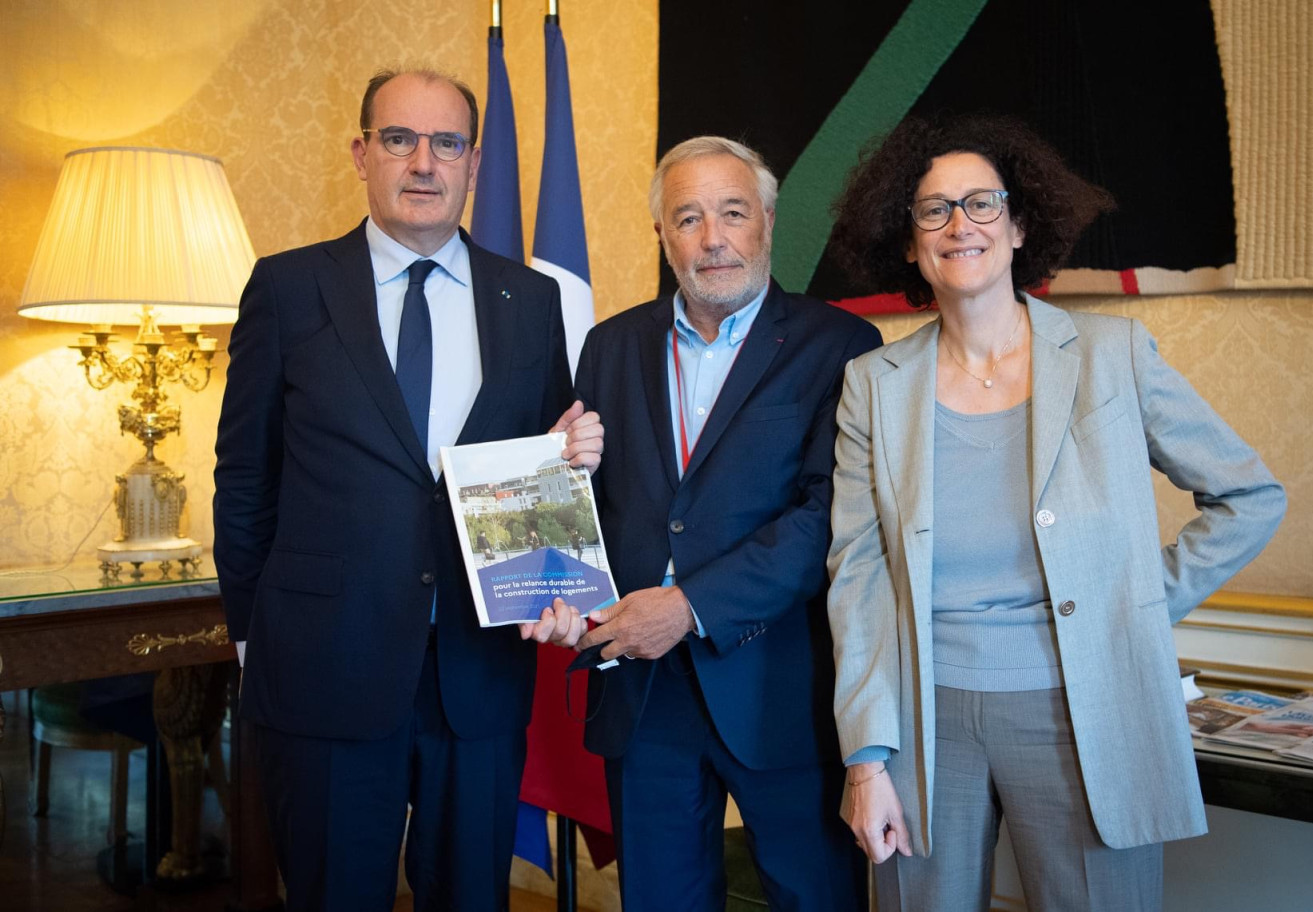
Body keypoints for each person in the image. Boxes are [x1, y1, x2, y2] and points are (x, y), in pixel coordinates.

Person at [824, 114, 1286, 911]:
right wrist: (866, 762)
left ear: (1020, 224)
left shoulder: (1116, 355)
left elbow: (1249, 497)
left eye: (981, 203)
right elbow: (857, 576)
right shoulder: (872, 384)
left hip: (1083, 712)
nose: (959, 225)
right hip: (923, 724)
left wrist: (1133, 602)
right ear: (909, 243)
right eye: (933, 210)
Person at [213, 67, 600, 912]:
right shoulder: (287, 288)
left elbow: (547, 471)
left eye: (446, 144)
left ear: (472, 163)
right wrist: (253, 638)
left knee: (472, 896)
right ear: (362, 154)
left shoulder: (530, 299)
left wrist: (580, 471)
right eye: (399, 139)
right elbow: (245, 480)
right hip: (322, 663)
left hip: (478, 669)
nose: (423, 163)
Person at [534, 136, 882, 911]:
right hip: (643, 694)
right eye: (688, 218)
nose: (713, 238)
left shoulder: (841, 346)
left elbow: (831, 517)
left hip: (779, 690)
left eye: (732, 213)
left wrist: (689, 606)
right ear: (662, 235)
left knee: (814, 897)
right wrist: (553, 551)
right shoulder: (610, 346)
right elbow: (590, 507)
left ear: (766, 221)